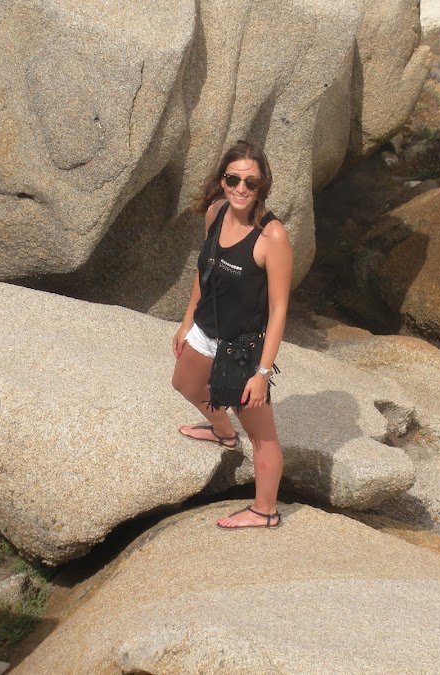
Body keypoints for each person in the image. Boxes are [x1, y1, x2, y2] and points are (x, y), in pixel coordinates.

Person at [172, 140, 293, 529]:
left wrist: (262, 373)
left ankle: (265, 511)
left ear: (262, 186)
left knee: (262, 436)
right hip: (206, 328)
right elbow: (205, 271)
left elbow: (279, 310)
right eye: (233, 179)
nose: (241, 188)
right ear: (223, 180)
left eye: (250, 182)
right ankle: (224, 434)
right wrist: (187, 321)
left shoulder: (271, 237)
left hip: (241, 348)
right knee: (185, 383)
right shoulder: (216, 211)